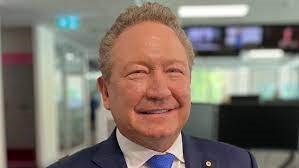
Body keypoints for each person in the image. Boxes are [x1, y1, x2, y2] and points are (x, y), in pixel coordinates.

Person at [48, 2, 258, 168]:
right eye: (138, 72)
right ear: (105, 92)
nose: (159, 91)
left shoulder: (239, 162)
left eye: (174, 71)